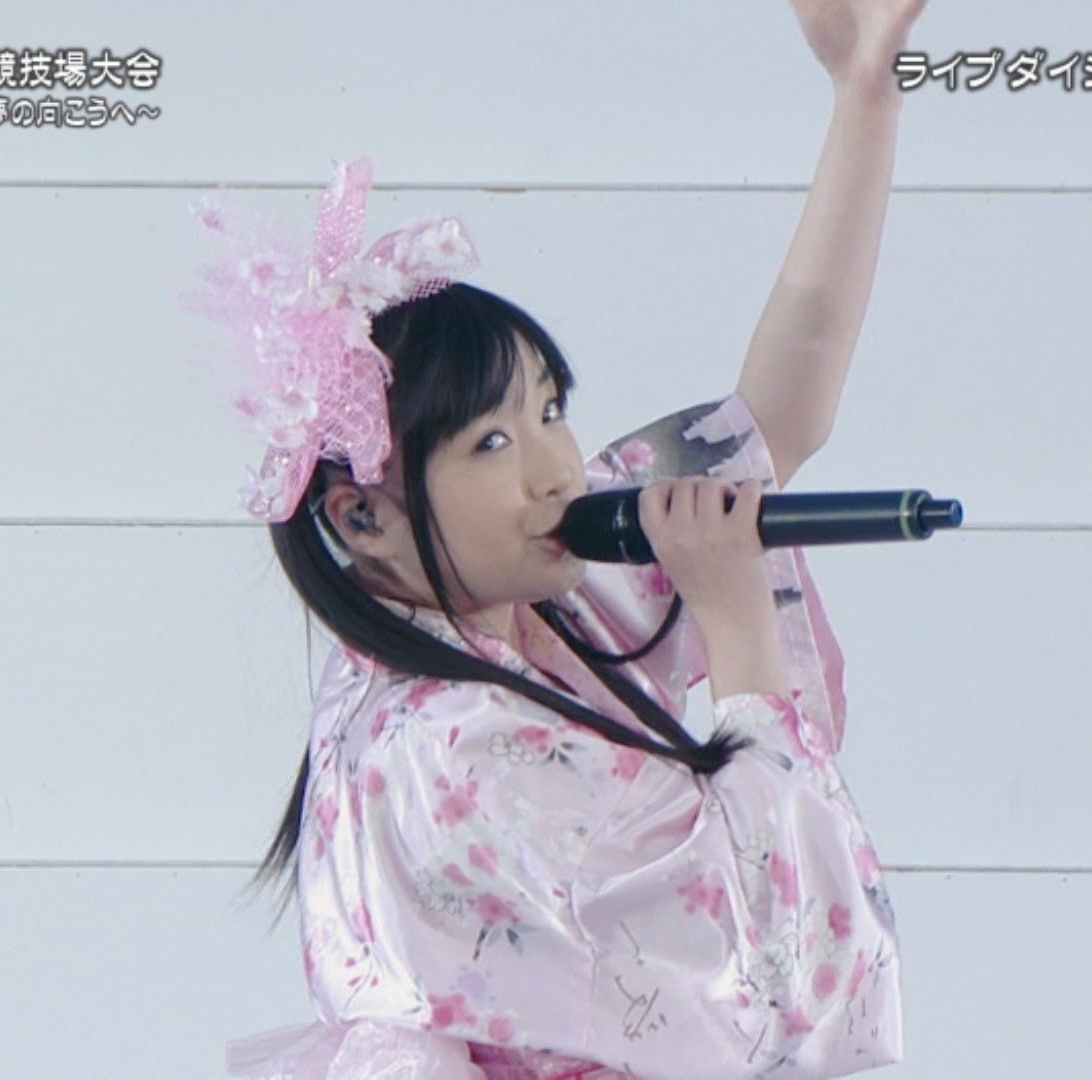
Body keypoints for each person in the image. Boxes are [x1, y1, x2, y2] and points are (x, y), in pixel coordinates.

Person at [193, 3, 924, 1075]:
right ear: (362, 515)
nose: (556, 470)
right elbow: (769, 953)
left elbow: (777, 415)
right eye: (492, 441)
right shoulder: (449, 747)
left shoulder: (527, 595)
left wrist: (863, 97)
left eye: (549, 410)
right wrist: (736, 632)